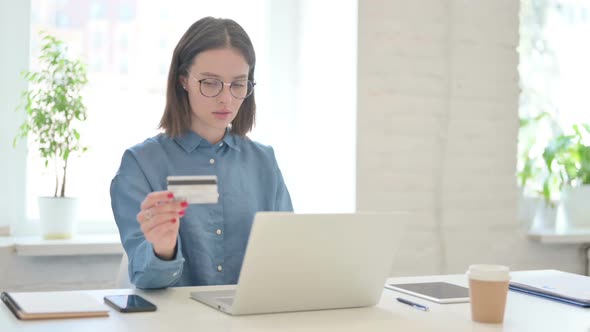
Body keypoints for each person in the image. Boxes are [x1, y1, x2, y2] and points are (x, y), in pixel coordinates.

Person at [110, 17, 293, 289]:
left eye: (238, 84)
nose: (226, 99)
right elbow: (145, 278)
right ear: (183, 80)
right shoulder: (141, 164)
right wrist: (163, 249)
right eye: (210, 83)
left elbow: (289, 258)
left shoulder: (263, 162)